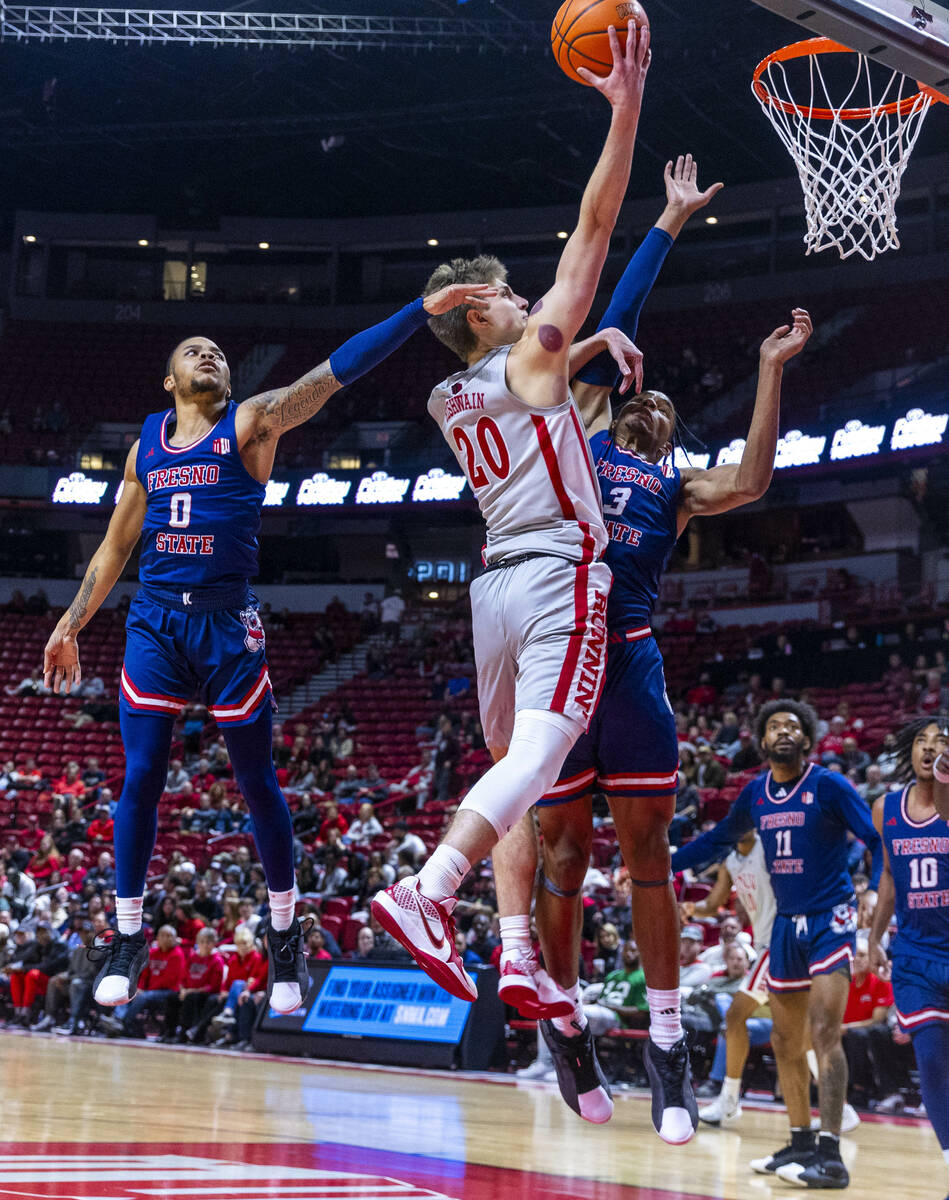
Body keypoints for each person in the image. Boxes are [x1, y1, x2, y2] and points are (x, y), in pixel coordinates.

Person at [42, 274, 492, 1018]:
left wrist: (417, 312)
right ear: (170, 379)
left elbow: (330, 376)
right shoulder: (144, 447)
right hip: (155, 620)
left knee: (257, 783)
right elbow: (114, 549)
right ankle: (127, 936)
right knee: (143, 773)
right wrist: (68, 625)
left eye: (217, 350)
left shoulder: (251, 422)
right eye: (195, 350)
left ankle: (284, 932)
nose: (210, 355)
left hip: (226, 623)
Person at [489, 163, 812, 1135]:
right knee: (556, 855)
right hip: (557, 661)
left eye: (667, 409)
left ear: (669, 436)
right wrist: (667, 220)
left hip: (625, 662)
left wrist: (767, 371)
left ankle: (667, 1049)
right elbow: (610, 305)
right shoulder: (577, 440)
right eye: (643, 396)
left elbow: (753, 479)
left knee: (644, 859)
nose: (651, 405)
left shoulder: (673, 488)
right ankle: (566, 1033)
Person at [371, 24, 652, 1044]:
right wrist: (623, 107)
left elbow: (540, 371)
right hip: (557, 576)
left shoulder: (451, 395)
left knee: (513, 777)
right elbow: (593, 224)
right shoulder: (529, 353)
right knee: (536, 764)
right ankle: (429, 885)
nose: (538, 298)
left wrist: (580, 344)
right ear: (486, 309)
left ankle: (516, 949)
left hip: (491, 589)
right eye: (515, 295)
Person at [672, 700, 882, 1189]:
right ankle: (801, 1139)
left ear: (807, 740)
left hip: (831, 917)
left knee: (824, 1032)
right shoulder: (754, 794)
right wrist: (662, 866)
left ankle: (831, 1154)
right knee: (787, 1041)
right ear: (762, 742)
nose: (783, 731)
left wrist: (872, 887)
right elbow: (720, 838)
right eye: (773, 726)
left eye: (793, 726)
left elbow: (875, 836)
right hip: (785, 926)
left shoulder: (828, 784)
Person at [871, 716, 949, 1194]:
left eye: (939, 741)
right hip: (915, 953)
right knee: (932, 1061)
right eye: (921, 739)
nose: (928, 747)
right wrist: (874, 939)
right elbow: (887, 879)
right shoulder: (886, 808)